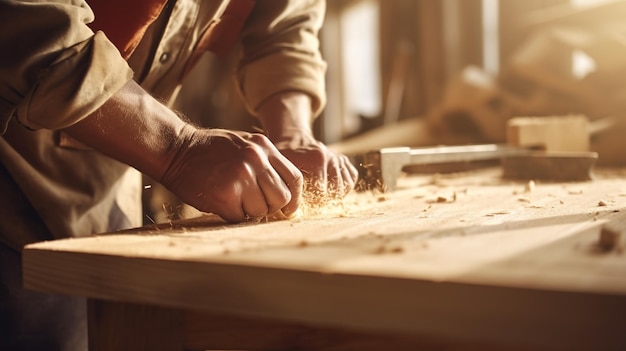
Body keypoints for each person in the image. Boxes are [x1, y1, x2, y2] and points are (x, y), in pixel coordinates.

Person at [0, 0, 358, 349]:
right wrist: (179, 149)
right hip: (13, 175)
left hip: (109, 184)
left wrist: (292, 132)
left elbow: (284, 26)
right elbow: (29, 24)